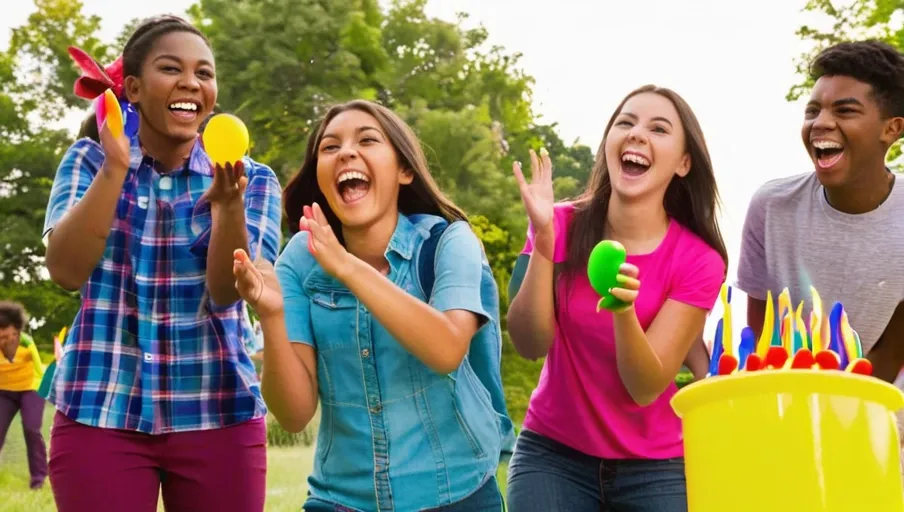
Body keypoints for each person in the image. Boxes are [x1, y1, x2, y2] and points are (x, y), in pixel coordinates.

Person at [42, 15, 282, 512]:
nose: (192, 83)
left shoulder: (253, 180)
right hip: (98, 408)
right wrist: (115, 166)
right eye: (171, 69)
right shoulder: (88, 160)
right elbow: (65, 271)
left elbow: (225, 292)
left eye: (205, 73)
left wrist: (227, 206)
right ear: (132, 86)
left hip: (218, 412)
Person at [232, 99, 513, 511]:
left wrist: (346, 267)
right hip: (341, 499)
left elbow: (448, 348)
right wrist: (272, 316)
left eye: (367, 139)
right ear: (321, 179)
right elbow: (294, 414)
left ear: (404, 170)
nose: (346, 151)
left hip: (457, 493)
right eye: (330, 147)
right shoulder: (299, 259)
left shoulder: (448, 243)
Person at [505, 85, 728, 511]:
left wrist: (623, 310)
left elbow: (645, 387)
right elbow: (529, 344)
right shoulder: (558, 223)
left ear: (684, 163)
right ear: (608, 143)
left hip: (655, 466)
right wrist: (546, 243)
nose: (636, 134)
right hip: (553, 454)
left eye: (658, 128)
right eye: (625, 123)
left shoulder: (699, 261)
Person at [738, 40, 904, 383]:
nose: (820, 123)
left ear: (892, 129)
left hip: (883, 416)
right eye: (813, 111)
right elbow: (759, 337)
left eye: (844, 111)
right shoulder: (771, 207)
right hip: (788, 410)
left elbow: (891, 354)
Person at [0, 301, 47, 490]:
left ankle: (38, 479)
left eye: (8, 333)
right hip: (4, 391)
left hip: (30, 388)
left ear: (17, 329)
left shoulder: (26, 342)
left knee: (32, 429)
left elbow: (39, 369)